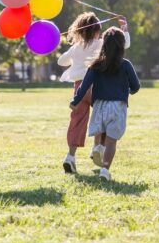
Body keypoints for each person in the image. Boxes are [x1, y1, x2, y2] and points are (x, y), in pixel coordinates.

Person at [58, 12, 130, 174]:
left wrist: (75, 55)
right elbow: (124, 44)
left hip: (79, 89)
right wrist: (124, 28)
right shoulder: (100, 44)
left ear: (80, 31)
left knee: (77, 122)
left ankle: (70, 156)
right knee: (102, 118)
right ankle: (97, 147)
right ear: (97, 31)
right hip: (97, 87)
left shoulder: (76, 48)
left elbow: (61, 61)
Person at [70, 27, 140, 181]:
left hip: (100, 106)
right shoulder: (126, 64)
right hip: (118, 106)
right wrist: (129, 91)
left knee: (102, 132)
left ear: (104, 44)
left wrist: (75, 101)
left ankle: (98, 148)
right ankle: (105, 169)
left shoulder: (95, 65)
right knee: (112, 140)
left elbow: (84, 85)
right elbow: (136, 86)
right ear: (121, 46)